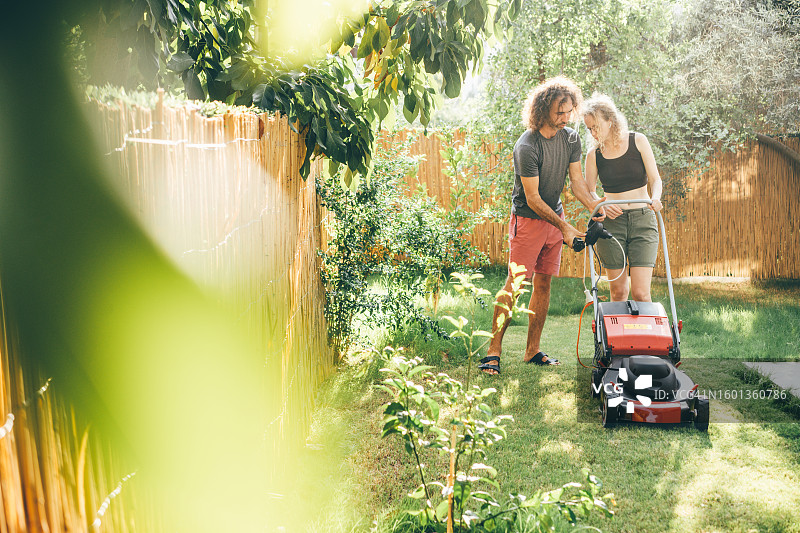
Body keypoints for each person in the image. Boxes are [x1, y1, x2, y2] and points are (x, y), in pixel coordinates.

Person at [480, 77, 604, 375]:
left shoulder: (570, 139)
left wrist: (595, 206)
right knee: (516, 283)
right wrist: (565, 228)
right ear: (543, 109)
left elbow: (576, 182)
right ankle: (493, 351)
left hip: (554, 219)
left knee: (544, 283)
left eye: (569, 111)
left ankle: (532, 350)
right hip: (528, 220)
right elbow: (533, 199)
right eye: (560, 112)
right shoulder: (527, 146)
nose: (566, 118)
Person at [582, 93, 664, 302]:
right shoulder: (593, 155)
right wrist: (603, 205)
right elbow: (589, 191)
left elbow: (655, 179)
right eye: (589, 129)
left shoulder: (638, 140)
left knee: (641, 293)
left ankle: (644, 326)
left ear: (610, 120)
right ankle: (617, 326)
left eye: (596, 127)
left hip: (643, 220)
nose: (593, 133)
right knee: (618, 292)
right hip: (612, 224)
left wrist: (656, 198)